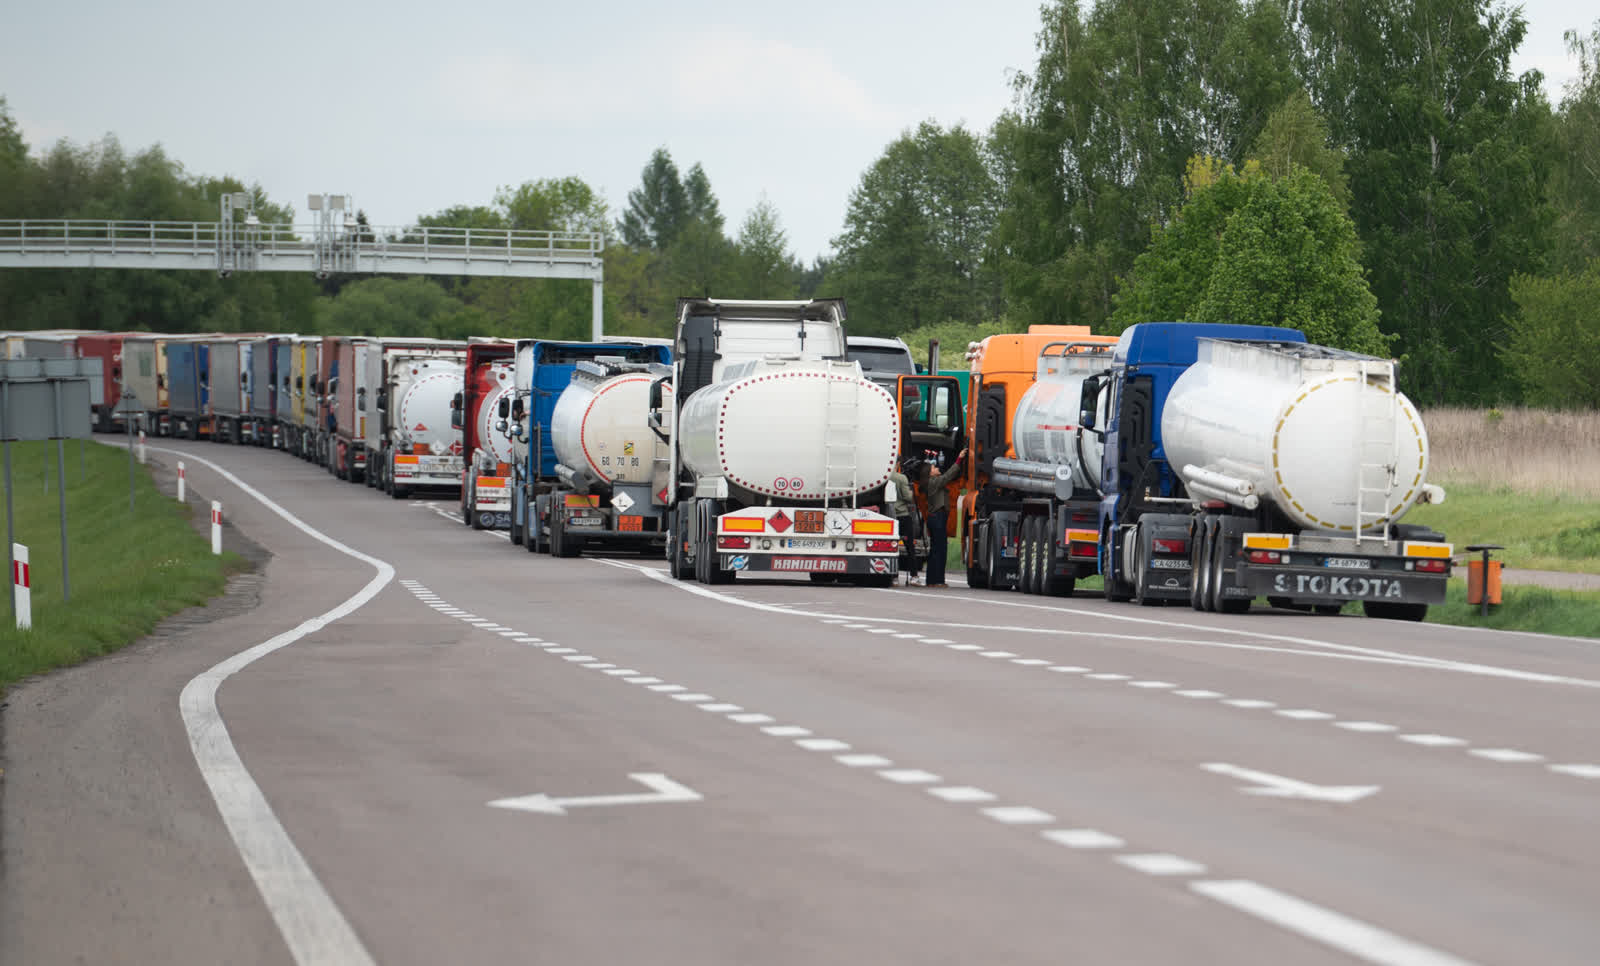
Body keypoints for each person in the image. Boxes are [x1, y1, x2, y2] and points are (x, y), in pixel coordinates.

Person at [919, 451, 964, 587]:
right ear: (930, 473)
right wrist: (959, 459)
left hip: (937, 518)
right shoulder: (933, 482)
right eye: (933, 468)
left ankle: (932, 580)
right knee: (940, 550)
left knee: (936, 550)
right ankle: (937, 580)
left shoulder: (932, 482)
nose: (936, 467)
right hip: (937, 518)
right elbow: (948, 476)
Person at [887, 462, 921, 585]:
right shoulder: (901, 478)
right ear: (897, 463)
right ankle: (914, 576)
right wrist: (911, 492)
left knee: (892, 547)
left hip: (888, 516)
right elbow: (908, 497)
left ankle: (894, 577)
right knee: (909, 547)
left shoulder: (883, 477)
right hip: (902, 515)